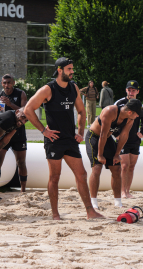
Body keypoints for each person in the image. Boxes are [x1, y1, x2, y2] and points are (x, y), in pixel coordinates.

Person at [24, 57, 103, 220]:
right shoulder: (48, 89)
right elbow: (28, 109)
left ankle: (90, 211)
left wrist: (80, 131)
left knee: (81, 174)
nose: (72, 72)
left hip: (70, 139)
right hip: (53, 140)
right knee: (55, 176)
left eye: (72, 69)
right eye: (69, 69)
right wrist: (43, 130)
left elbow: (81, 111)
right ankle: (55, 214)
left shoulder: (73, 88)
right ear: (60, 70)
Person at [86, 99, 143, 209]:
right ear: (130, 112)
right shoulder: (110, 111)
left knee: (117, 168)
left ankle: (118, 202)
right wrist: (100, 155)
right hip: (94, 137)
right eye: (137, 114)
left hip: (107, 139)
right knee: (97, 167)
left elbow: (123, 136)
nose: (138, 117)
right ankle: (93, 202)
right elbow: (102, 134)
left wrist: (117, 154)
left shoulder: (129, 119)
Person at [0, 74, 28, 192]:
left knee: (21, 162)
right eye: (4, 83)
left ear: (13, 83)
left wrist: (10, 104)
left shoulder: (20, 94)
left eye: (9, 82)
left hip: (18, 132)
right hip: (4, 132)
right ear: (2, 84)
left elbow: (25, 112)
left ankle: (23, 190)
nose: (6, 85)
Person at [114, 80, 143, 198]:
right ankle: (122, 192)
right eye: (129, 90)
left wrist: (142, 133)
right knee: (124, 166)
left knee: (131, 166)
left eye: (133, 90)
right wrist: (116, 134)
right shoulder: (119, 103)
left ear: (137, 91)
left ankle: (127, 191)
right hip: (122, 141)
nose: (131, 92)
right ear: (126, 90)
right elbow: (110, 120)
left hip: (135, 140)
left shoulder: (140, 105)